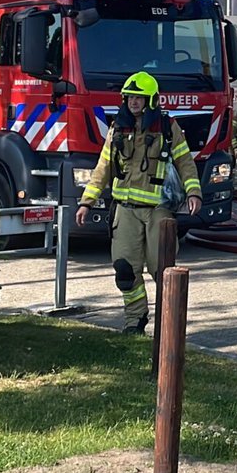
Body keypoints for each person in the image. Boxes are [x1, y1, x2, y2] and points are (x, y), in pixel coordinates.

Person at [77, 71, 203, 334]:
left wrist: (194, 193)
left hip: (159, 211)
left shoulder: (168, 128)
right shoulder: (117, 130)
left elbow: (185, 164)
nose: (134, 102)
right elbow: (103, 168)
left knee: (163, 270)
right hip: (125, 210)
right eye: (130, 97)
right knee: (124, 269)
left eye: (140, 97)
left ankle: (169, 325)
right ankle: (135, 319)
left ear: (152, 100)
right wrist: (86, 201)